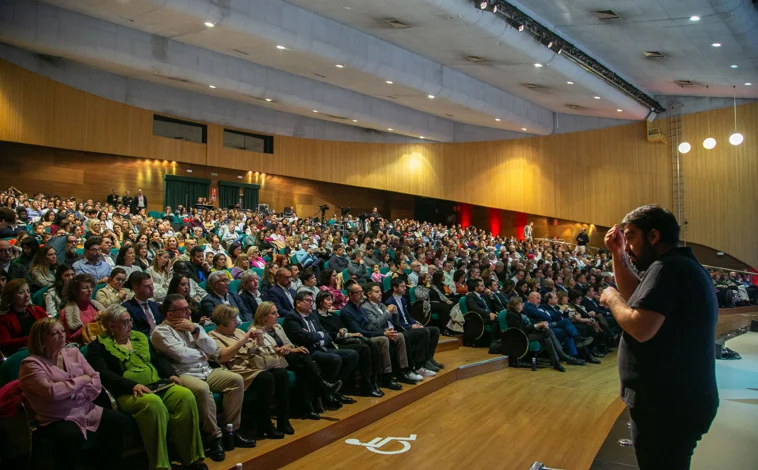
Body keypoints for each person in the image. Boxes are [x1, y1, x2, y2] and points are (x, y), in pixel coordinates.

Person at [600, 205, 718, 469]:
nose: (628, 245)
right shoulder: (675, 265)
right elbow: (636, 297)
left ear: (653, 236)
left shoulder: (669, 268)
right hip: (674, 402)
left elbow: (640, 327)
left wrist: (611, 298)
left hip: (668, 406)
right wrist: (618, 254)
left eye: (630, 237)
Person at [87, 304, 207, 470]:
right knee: (154, 405)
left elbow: (158, 359)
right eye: (125, 322)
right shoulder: (98, 347)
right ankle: (160, 465)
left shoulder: (139, 337)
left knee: (185, 396)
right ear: (111, 325)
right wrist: (132, 385)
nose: (130, 325)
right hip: (128, 392)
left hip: (157, 385)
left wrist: (171, 374)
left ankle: (191, 457)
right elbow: (104, 374)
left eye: (130, 321)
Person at [151, 294, 256, 463]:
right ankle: (214, 437)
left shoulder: (192, 327)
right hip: (183, 374)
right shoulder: (160, 332)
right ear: (170, 314)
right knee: (202, 389)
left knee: (235, 380)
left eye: (188, 308)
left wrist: (195, 330)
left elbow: (212, 347)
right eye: (183, 310)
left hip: (206, 370)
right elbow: (181, 356)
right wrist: (202, 354)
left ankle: (232, 430)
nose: (188, 312)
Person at [19, 318, 131, 470]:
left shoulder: (73, 353)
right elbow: (51, 392)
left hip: (85, 408)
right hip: (56, 416)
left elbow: (95, 378)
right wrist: (81, 381)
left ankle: (106, 463)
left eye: (63, 331)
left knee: (119, 421)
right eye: (55, 333)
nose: (62, 335)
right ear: (41, 338)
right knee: (71, 435)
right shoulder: (31, 365)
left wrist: (71, 391)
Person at [209, 304, 293, 439]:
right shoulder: (213, 336)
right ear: (224, 321)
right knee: (265, 378)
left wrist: (259, 341)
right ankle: (265, 423)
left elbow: (255, 351)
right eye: (233, 319)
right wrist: (244, 340)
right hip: (238, 371)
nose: (237, 322)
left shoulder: (239, 332)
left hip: (254, 366)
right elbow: (223, 356)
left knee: (281, 373)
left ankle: (283, 420)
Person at [283, 291, 358, 409]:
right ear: (298, 303)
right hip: (309, 352)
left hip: (321, 347)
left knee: (352, 354)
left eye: (312, 301)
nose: (311, 304)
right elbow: (306, 338)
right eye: (308, 301)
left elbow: (326, 334)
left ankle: (334, 389)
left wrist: (319, 338)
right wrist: (318, 335)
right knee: (335, 359)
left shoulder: (312, 315)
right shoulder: (291, 318)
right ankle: (328, 393)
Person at [344, 281, 416, 387]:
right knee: (384, 339)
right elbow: (360, 331)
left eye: (361, 292)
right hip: (362, 338)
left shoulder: (360, 308)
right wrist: (383, 333)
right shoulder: (349, 311)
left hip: (373, 332)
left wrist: (394, 314)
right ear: (350, 295)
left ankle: (402, 371)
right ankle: (386, 376)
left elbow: (371, 326)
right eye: (358, 292)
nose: (361, 294)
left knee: (399, 335)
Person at [314, 290, 384, 397]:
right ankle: (366, 384)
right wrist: (346, 334)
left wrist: (344, 332)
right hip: (333, 344)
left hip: (342, 340)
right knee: (364, 348)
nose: (330, 302)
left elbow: (343, 328)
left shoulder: (333, 316)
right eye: (327, 299)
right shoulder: (316, 316)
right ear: (320, 301)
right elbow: (328, 334)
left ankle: (373, 380)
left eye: (331, 299)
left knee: (371, 344)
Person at [385, 278, 442, 375]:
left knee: (435, 330)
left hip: (408, 325)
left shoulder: (403, 300)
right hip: (402, 329)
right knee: (424, 332)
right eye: (402, 287)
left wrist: (415, 322)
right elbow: (396, 323)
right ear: (395, 288)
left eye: (404, 286)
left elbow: (407, 316)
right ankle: (420, 364)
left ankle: (429, 358)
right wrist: (411, 326)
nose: (405, 289)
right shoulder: (389, 302)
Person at [505, 297, 572, 372]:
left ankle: (556, 362)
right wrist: (537, 326)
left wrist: (539, 324)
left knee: (547, 339)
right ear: (516, 305)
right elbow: (522, 329)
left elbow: (530, 323)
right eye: (521, 304)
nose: (523, 305)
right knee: (548, 331)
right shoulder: (511, 315)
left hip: (529, 333)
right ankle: (562, 355)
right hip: (522, 337)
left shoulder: (521, 313)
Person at [0, 279, 48, 355]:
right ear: (11, 296)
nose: (27, 295)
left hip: (43, 348)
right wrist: (32, 339)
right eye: (21, 292)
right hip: (20, 353)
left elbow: (50, 328)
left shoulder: (37, 310)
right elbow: (5, 343)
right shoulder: (4, 318)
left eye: (28, 291)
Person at [60, 274, 105, 344]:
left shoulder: (97, 305)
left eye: (91, 287)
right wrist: (93, 320)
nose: (90, 290)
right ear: (75, 292)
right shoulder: (67, 312)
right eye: (85, 288)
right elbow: (70, 338)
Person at [122, 271, 164, 336]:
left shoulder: (156, 306)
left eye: (152, 285)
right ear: (136, 287)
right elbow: (133, 333)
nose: (152, 288)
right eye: (147, 286)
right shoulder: (127, 308)